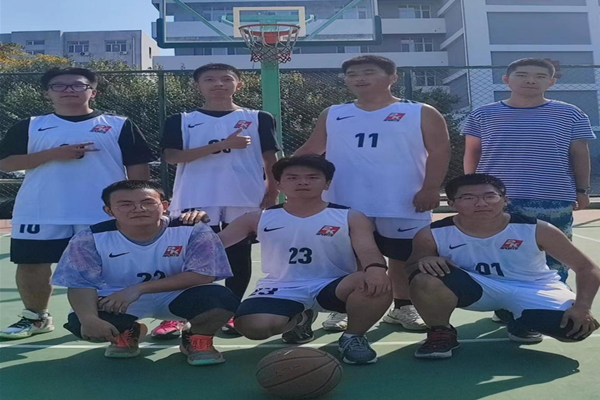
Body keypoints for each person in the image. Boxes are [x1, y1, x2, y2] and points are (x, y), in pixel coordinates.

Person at [295, 55, 450, 331]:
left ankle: (402, 307)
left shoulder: (421, 111)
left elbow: (440, 150)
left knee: (402, 258)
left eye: (368, 72)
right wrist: (280, 177)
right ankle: (344, 306)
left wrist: (430, 187)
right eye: (352, 74)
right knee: (350, 256)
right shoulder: (333, 113)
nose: (360, 78)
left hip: (403, 199)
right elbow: (311, 149)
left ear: (392, 77)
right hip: (345, 200)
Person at [0, 67, 154, 339]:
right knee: (32, 265)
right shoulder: (30, 125)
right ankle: (36, 318)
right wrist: (53, 154)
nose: (68, 90)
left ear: (93, 92)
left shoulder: (119, 124)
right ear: (47, 93)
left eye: (78, 85)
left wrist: (137, 204)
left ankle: (113, 319)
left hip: (101, 212)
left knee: (109, 268)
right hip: (40, 210)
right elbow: (6, 163)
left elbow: (138, 168)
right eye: (59, 85)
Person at [218, 155, 392, 365]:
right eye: (292, 178)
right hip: (282, 287)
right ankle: (300, 318)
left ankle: (352, 337)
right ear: (279, 184)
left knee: (376, 282)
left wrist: (376, 269)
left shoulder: (350, 216)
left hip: (334, 285)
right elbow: (215, 244)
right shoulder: (258, 218)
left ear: (327, 183)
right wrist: (193, 224)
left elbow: (368, 250)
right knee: (252, 327)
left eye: (312, 177)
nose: (302, 182)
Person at [406, 174, 600, 359]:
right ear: (451, 203)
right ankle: (441, 331)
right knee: (424, 279)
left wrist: (583, 307)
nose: (481, 203)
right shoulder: (432, 233)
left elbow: (587, 268)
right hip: (476, 288)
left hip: (533, 288)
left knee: (574, 328)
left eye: (490, 196)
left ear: (505, 200)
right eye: (468, 197)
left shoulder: (537, 229)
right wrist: (424, 260)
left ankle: (519, 319)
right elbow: (412, 267)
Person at [52, 180, 240, 365]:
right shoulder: (89, 238)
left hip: (177, 295)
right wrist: (89, 319)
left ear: (164, 206)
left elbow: (203, 274)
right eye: (126, 204)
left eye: (148, 202)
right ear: (109, 210)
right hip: (117, 299)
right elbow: (80, 283)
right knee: (81, 321)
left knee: (221, 299)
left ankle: (196, 337)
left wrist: (138, 289)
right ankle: (128, 332)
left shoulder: (192, 230)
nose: (138, 209)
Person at [158, 63, 280, 338]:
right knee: (187, 257)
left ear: (239, 84)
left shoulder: (258, 118)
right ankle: (178, 314)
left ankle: (232, 311)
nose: (218, 84)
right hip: (195, 197)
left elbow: (271, 158)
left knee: (238, 255)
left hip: (243, 196)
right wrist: (222, 145)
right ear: (197, 86)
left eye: (226, 79)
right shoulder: (181, 119)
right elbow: (173, 157)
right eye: (210, 79)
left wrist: (273, 191)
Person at [463, 58, 596, 283]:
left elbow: (580, 154)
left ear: (551, 82)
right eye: (522, 75)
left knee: (554, 259)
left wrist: (582, 190)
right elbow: (472, 153)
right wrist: (471, 192)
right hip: (496, 200)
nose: (531, 80)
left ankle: (554, 298)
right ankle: (501, 300)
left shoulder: (571, 114)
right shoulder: (482, 114)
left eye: (540, 76)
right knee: (498, 256)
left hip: (552, 197)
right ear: (506, 79)